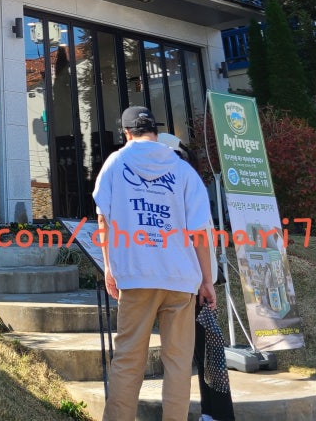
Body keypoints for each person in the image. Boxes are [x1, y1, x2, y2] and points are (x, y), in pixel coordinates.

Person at [94, 106, 215, 421]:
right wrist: (206, 280)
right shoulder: (183, 170)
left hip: (137, 275)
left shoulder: (115, 164)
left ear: (126, 133)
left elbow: (103, 219)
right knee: (178, 363)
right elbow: (200, 232)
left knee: (128, 360)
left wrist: (109, 267)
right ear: (157, 133)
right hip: (180, 278)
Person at [158, 133, 235, 421]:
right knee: (204, 351)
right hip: (192, 281)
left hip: (191, 283)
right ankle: (213, 413)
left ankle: (216, 414)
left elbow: (200, 236)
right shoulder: (188, 184)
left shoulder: (180, 187)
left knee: (204, 351)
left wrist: (205, 281)